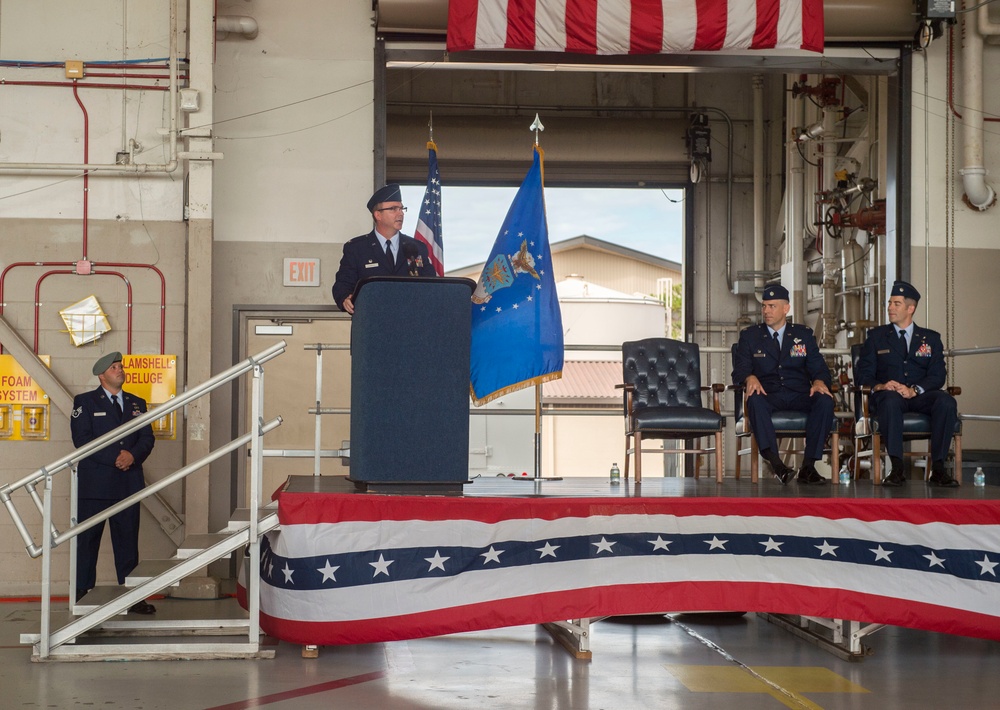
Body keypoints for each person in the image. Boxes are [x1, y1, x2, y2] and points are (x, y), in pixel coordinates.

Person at [71, 352, 157, 613]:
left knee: (128, 541)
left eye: (120, 366)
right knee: (87, 542)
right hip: (94, 487)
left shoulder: (137, 403)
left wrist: (132, 455)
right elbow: (82, 441)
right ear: (101, 375)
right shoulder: (84, 402)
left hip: (127, 485)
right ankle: (82, 593)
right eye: (114, 367)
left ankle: (132, 597)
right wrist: (116, 458)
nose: (120, 370)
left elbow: (147, 438)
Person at [855, 280, 959, 487]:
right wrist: (881, 386)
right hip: (889, 395)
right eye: (890, 303)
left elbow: (938, 376)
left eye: (896, 304)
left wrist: (915, 390)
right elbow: (863, 374)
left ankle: (938, 469)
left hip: (919, 396)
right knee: (890, 402)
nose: (890, 308)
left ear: (910, 308)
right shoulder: (876, 337)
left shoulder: (930, 339)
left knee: (946, 402)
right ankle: (896, 468)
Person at [732, 284, 834, 485]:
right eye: (764, 306)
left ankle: (808, 466)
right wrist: (749, 377)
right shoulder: (750, 336)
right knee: (754, 399)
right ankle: (777, 464)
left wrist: (820, 381)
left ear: (786, 309)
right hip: (769, 394)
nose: (766, 311)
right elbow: (740, 368)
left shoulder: (803, 335)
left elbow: (818, 367)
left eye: (772, 306)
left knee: (825, 401)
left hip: (799, 393)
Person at [332, 184, 437, 314]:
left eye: (401, 208)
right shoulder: (357, 248)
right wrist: (345, 297)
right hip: (372, 320)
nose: (400, 213)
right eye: (393, 209)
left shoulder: (417, 247)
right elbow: (343, 283)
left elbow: (432, 284)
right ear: (378, 215)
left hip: (410, 319)